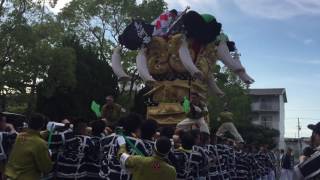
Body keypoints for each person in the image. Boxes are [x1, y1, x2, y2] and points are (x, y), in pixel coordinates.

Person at [5, 113, 53, 180]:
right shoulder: (41, 144)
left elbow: (34, 135)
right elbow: (46, 168)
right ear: (42, 125)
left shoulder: (20, 136)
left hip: (11, 176)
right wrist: (48, 155)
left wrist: (49, 131)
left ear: (28, 124)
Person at [0, 113, 17, 179]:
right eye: (4, 121)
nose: (6, 123)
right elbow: (16, 136)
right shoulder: (2, 135)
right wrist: (12, 128)